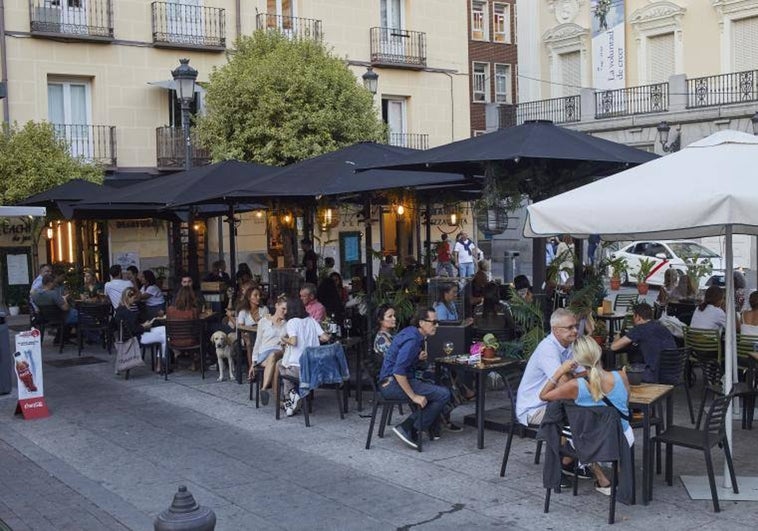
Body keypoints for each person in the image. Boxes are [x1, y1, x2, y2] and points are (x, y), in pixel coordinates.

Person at [539, 335, 633, 495]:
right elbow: (627, 403)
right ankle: (620, 476)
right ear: (599, 353)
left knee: (574, 431)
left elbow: (544, 396)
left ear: (578, 360)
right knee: (582, 430)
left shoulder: (576, 386)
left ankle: (594, 474)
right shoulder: (621, 376)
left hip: (593, 442)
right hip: (624, 438)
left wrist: (560, 371)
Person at [378, 307, 452, 450]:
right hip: (391, 384)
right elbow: (399, 371)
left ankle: (430, 427)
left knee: (436, 386)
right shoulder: (413, 339)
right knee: (443, 394)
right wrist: (413, 396)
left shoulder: (411, 333)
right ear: (422, 322)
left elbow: (401, 362)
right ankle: (409, 428)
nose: (437, 325)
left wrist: (417, 358)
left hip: (390, 381)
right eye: (434, 322)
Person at [516, 308, 581, 426]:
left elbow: (585, 372)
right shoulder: (548, 348)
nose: (575, 330)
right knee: (585, 415)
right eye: (570, 327)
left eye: (576, 326)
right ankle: (570, 444)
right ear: (556, 330)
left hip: (554, 403)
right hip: (534, 409)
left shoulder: (570, 345)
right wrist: (575, 376)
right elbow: (564, 385)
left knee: (592, 411)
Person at [277, 297, 331, 416]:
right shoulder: (311, 320)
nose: (285, 312)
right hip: (314, 369)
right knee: (285, 366)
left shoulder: (292, 322)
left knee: (281, 366)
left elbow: (294, 341)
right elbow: (325, 338)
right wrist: (310, 340)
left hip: (299, 369)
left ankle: (290, 399)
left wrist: (284, 339)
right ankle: (294, 398)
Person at [611, 302, 676, 383]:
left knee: (617, 373)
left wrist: (616, 337)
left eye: (633, 316)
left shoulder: (640, 329)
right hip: (672, 373)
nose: (633, 319)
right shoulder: (662, 327)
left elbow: (614, 347)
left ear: (638, 317)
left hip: (652, 374)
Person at [115, 287, 167, 373]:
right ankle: (160, 363)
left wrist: (142, 325)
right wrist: (144, 326)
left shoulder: (120, 310)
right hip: (136, 338)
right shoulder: (128, 312)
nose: (135, 301)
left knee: (163, 330)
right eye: (134, 298)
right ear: (128, 298)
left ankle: (159, 364)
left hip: (129, 337)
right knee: (165, 336)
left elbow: (131, 326)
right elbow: (134, 329)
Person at [249, 294, 288, 405]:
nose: (285, 312)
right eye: (283, 309)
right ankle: (277, 400)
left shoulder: (287, 324)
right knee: (276, 365)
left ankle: (264, 388)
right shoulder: (264, 321)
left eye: (287, 310)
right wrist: (253, 362)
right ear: (276, 306)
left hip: (280, 352)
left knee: (274, 355)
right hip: (264, 353)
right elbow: (258, 342)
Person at [167, 285, 200, 370]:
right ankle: (194, 361)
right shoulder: (193, 311)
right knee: (200, 334)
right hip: (190, 341)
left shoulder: (170, 310)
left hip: (174, 341)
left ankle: (178, 357)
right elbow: (196, 327)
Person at [236, 286, 270, 368]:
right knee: (249, 342)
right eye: (255, 295)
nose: (258, 297)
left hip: (261, 335)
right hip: (246, 336)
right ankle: (252, 369)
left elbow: (268, 324)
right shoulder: (243, 312)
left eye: (259, 295)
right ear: (249, 297)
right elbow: (241, 328)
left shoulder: (264, 309)